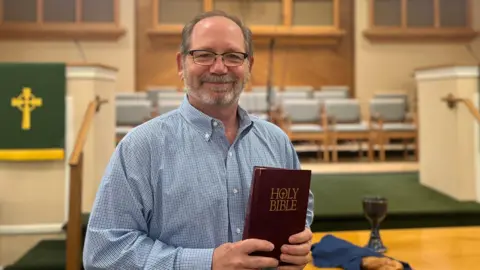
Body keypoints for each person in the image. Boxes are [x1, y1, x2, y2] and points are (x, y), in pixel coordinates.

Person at [83, 10, 314, 270]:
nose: (219, 67)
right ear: (181, 64)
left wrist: (298, 243)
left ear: (249, 65)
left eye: (233, 56)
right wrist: (207, 263)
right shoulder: (141, 147)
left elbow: (301, 210)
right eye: (203, 55)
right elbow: (104, 252)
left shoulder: (276, 141)